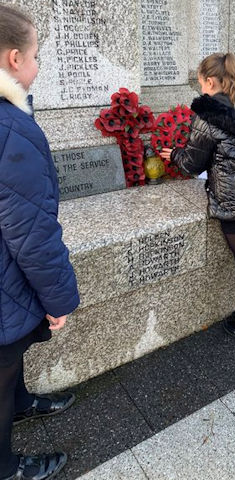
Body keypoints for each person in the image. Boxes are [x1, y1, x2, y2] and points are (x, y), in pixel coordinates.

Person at [0, 5, 80, 479]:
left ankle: (23, 400)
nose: (38, 65)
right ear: (14, 59)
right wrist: (60, 299)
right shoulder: (12, 129)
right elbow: (30, 234)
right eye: (36, 55)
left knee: (13, 356)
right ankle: (6, 467)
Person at [161, 53, 235, 340]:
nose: (201, 88)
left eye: (201, 82)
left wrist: (173, 154)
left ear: (211, 81)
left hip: (234, 201)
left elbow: (192, 164)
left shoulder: (208, 116)